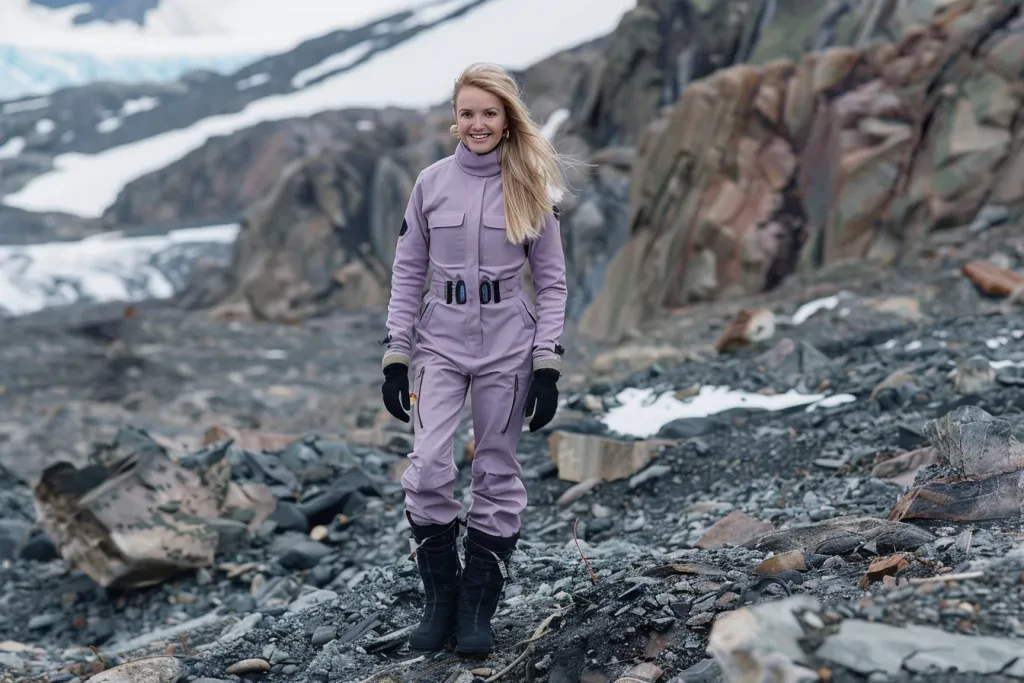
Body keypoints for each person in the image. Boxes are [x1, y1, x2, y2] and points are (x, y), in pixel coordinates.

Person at [377, 61, 569, 656]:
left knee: (495, 471)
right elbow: (408, 271)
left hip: (510, 342)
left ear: (507, 120)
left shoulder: (530, 188)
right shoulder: (430, 183)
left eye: (490, 113)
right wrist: (396, 355)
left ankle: (475, 611)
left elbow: (554, 283)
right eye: (468, 113)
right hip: (440, 340)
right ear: (454, 120)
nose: (478, 123)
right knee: (430, 465)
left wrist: (547, 365)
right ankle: (439, 604)